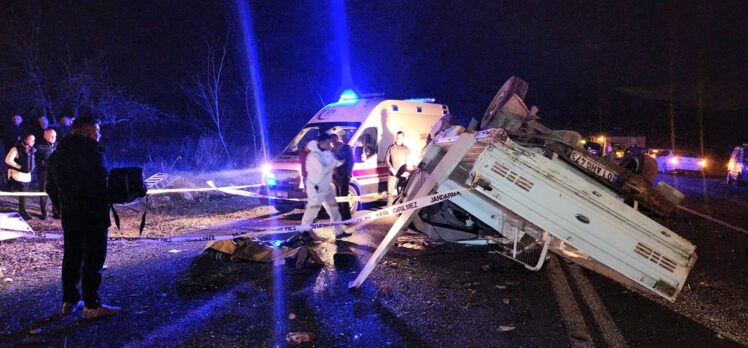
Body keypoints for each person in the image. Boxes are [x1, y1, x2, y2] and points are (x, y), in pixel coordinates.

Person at [46, 116, 119, 319]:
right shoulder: (93, 153)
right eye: (96, 130)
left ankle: (69, 301)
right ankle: (92, 305)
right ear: (86, 130)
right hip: (94, 214)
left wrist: (62, 207)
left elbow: (49, 187)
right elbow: (100, 184)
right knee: (93, 259)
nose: (99, 134)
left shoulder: (55, 156)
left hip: (70, 216)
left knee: (72, 257)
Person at [301, 133, 349, 239]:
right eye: (328, 143)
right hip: (316, 188)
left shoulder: (327, 152)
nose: (330, 145)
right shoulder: (313, 156)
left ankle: (339, 231)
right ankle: (304, 232)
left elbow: (334, 163)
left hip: (327, 186)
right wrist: (333, 163)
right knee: (313, 210)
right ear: (321, 143)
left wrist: (341, 160)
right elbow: (322, 171)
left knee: (334, 209)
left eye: (330, 142)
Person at [5, 133, 36, 220]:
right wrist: (19, 167)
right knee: (22, 194)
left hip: (27, 176)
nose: (33, 142)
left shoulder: (32, 150)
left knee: (24, 194)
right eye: (31, 139)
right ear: (25, 140)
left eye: (34, 140)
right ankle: (23, 211)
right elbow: (8, 160)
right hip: (18, 175)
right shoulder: (15, 149)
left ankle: (23, 210)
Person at [35, 128, 59, 219]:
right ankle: (44, 212)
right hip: (45, 172)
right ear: (45, 135)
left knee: (56, 191)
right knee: (44, 191)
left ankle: (56, 212)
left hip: (57, 173)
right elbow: (36, 161)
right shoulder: (40, 147)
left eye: (55, 136)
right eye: (51, 136)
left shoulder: (58, 146)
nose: (53, 138)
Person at [332, 134, 354, 221]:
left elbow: (351, 161)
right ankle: (341, 216)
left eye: (333, 141)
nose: (332, 143)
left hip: (344, 176)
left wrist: (349, 173)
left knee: (344, 197)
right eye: (331, 141)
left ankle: (347, 218)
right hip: (335, 177)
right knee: (338, 197)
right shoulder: (333, 149)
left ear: (337, 139)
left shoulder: (347, 148)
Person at [384, 131, 410, 205]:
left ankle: (400, 209)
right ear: (396, 137)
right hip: (392, 174)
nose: (399, 139)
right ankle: (388, 209)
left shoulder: (406, 149)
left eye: (400, 137)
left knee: (402, 193)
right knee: (390, 193)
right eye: (398, 137)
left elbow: (407, 162)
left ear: (403, 138)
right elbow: (387, 160)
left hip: (402, 175)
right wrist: (391, 168)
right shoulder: (391, 148)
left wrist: (405, 173)